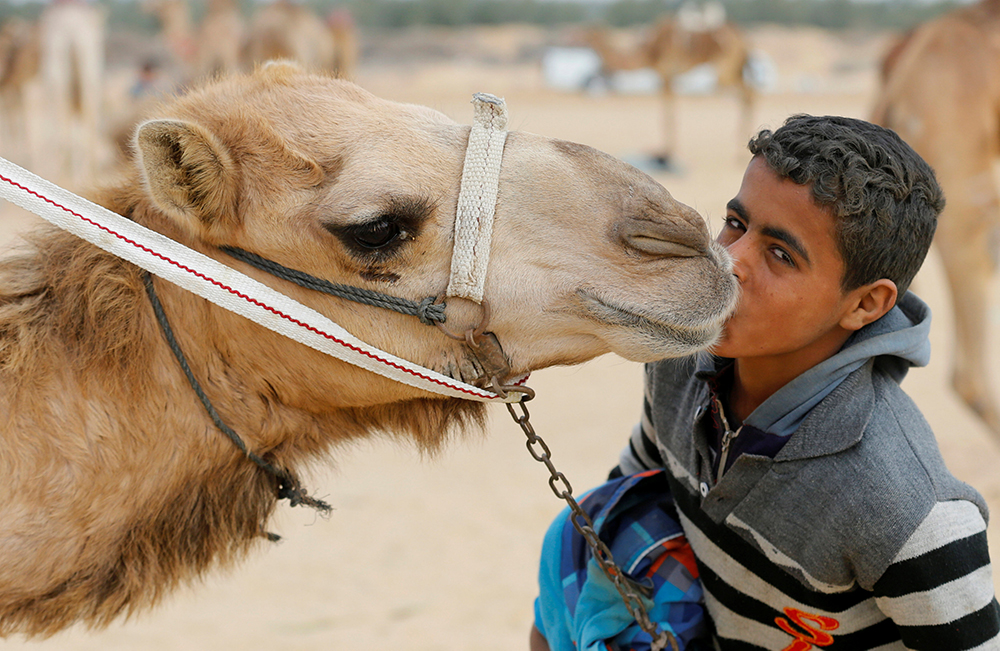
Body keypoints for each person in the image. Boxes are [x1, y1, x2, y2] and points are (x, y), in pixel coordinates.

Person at [533, 114, 1000, 650]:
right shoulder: (679, 360)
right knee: (570, 549)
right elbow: (634, 496)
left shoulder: (908, 509)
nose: (729, 261)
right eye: (736, 222)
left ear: (866, 304)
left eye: (780, 255)